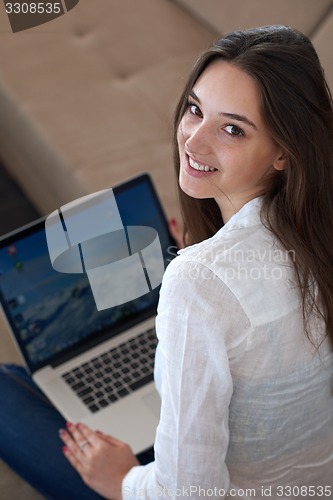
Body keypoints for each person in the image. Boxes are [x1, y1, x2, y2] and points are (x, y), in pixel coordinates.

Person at [1, 24, 333, 499]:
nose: (194, 142)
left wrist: (121, 480)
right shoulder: (317, 230)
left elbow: (188, 492)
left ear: (284, 151)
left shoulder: (198, 282)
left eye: (232, 129)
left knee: (7, 388)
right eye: (196, 110)